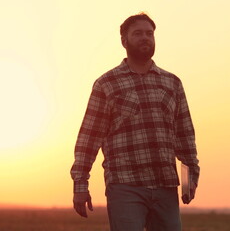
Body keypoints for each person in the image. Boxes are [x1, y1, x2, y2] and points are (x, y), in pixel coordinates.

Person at [70, 12, 200, 231]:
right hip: (125, 185)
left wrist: (192, 176)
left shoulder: (172, 83)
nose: (145, 38)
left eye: (149, 33)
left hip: (165, 185)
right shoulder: (107, 84)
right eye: (138, 33)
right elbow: (89, 138)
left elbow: (185, 135)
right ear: (124, 41)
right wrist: (80, 184)